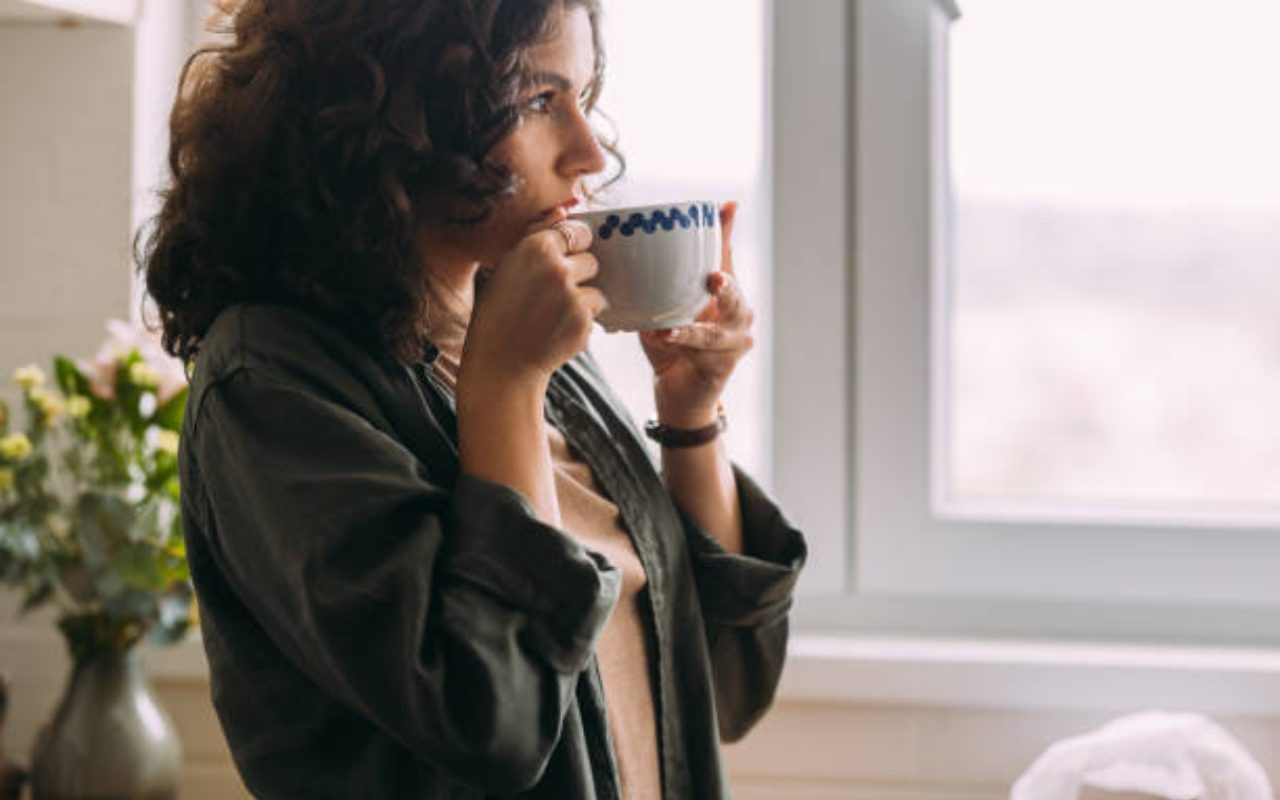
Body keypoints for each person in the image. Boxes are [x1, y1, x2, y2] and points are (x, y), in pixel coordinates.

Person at [141, 0, 807, 797]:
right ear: (396, 113)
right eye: (535, 101)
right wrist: (505, 385)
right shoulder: (272, 384)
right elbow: (489, 717)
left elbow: (725, 682)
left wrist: (691, 417)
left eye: (581, 99)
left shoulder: (530, 336)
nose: (588, 153)